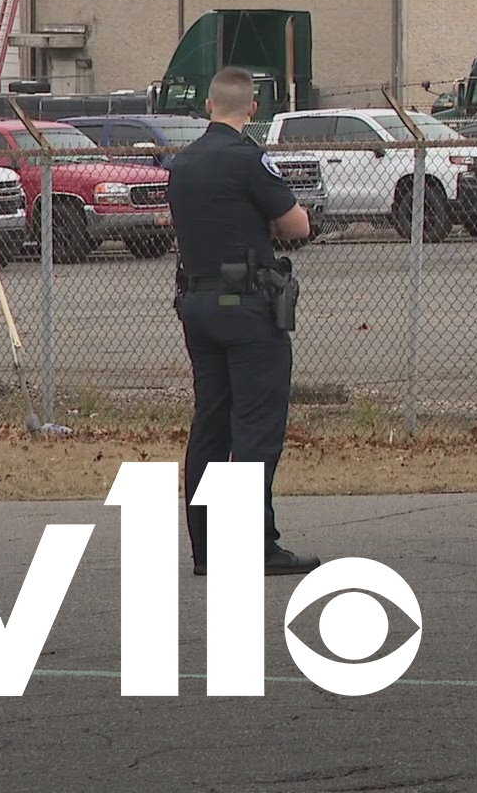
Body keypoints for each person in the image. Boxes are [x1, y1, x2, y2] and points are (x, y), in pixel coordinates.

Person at [166, 67, 318, 577]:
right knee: (254, 429)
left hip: (197, 302)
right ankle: (256, 545)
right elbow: (296, 224)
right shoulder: (249, 160)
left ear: (208, 105)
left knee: (210, 423)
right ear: (252, 110)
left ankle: (207, 548)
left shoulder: (182, 165)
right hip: (248, 306)